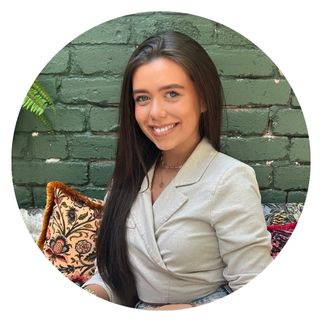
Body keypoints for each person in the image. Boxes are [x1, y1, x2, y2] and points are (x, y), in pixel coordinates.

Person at [82, 31, 273, 310]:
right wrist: (93, 293)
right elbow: (115, 274)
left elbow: (256, 289)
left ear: (203, 99)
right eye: (143, 98)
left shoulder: (230, 179)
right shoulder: (128, 177)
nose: (155, 113)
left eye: (172, 93)